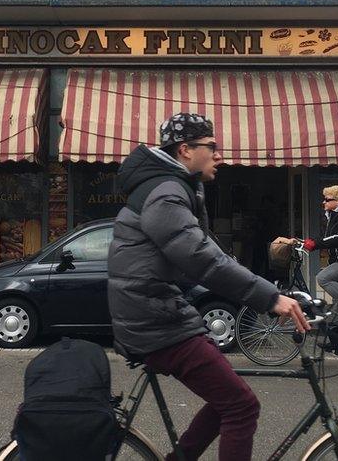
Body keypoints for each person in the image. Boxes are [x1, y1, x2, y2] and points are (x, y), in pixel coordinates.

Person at [108, 112, 309, 461]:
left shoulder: (173, 187)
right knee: (242, 406)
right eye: (211, 146)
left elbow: (213, 254)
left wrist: (268, 290)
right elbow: (202, 260)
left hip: (156, 311)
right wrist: (269, 297)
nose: (219, 155)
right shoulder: (166, 192)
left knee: (228, 400)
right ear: (185, 149)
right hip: (153, 320)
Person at [273, 185, 338, 350]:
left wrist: (314, 244)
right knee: (337, 305)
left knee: (324, 277)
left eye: (327, 199)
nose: (324, 202)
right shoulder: (337, 215)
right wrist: (304, 242)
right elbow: (330, 239)